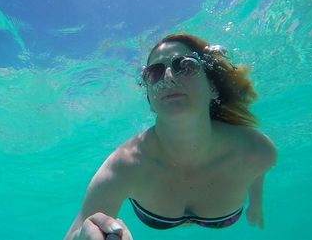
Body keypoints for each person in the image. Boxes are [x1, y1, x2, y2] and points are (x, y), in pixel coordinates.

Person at [64, 34, 277, 240]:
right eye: (154, 73)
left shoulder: (256, 149)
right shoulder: (125, 165)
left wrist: (255, 204)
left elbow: (256, 173)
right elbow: (76, 230)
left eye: (185, 65)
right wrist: (83, 236)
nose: (168, 77)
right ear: (149, 99)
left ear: (212, 87)